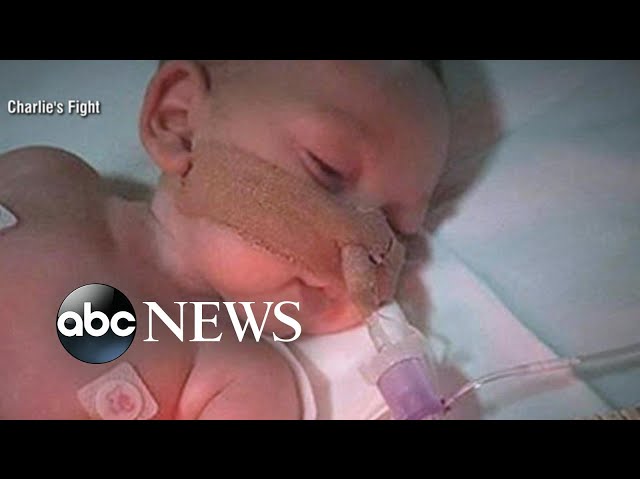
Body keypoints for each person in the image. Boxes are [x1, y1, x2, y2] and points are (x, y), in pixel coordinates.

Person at [0, 60, 449, 419]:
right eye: (326, 169)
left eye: (395, 230)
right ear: (179, 123)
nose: (359, 248)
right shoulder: (46, 179)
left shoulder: (242, 381)